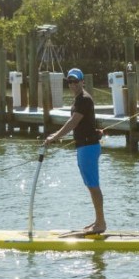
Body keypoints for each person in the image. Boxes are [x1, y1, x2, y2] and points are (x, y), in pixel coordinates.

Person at [44, 68, 105, 235]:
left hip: (88, 148)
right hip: (83, 147)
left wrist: (55, 136)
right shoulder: (79, 100)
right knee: (90, 185)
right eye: (70, 81)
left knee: (93, 185)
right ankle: (98, 221)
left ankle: (101, 223)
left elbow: (73, 122)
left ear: (82, 81)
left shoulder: (84, 99)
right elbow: (84, 122)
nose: (73, 84)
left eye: (76, 81)